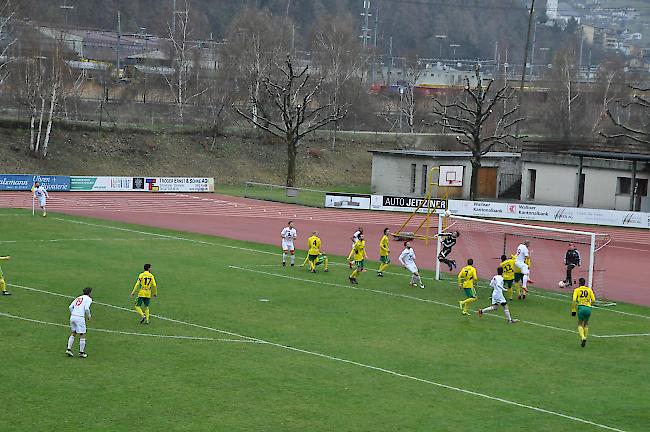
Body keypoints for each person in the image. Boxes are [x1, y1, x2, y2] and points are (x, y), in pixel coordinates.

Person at [66, 287, 93, 358]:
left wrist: (73, 314)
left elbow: (70, 307)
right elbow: (86, 308)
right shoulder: (89, 299)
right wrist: (89, 316)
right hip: (79, 317)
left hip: (73, 316)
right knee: (82, 334)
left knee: (74, 332)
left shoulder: (78, 297)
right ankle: (81, 352)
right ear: (89, 293)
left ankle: (68, 349)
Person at [571, 277, 596, 348]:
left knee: (579, 324)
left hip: (581, 308)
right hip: (588, 308)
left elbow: (574, 300)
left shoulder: (577, 290)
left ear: (579, 283)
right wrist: (590, 305)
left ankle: (583, 337)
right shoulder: (589, 290)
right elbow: (593, 300)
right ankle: (585, 337)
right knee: (586, 324)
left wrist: (573, 310)